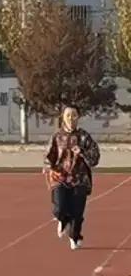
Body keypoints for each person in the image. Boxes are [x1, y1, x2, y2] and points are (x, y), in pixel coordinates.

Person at [45, 105, 101, 251]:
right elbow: (49, 156)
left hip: (79, 179)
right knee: (59, 209)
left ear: (78, 117)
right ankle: (63, 219)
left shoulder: (84, 137)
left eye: (74, 115)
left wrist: (82, 152)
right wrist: (48, 167)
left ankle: (75, 236)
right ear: (63, 117)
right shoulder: (57, 136)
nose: (71, 119)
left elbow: (95, 158)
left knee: (77, 212)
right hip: (60, 177)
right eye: (68, 115)